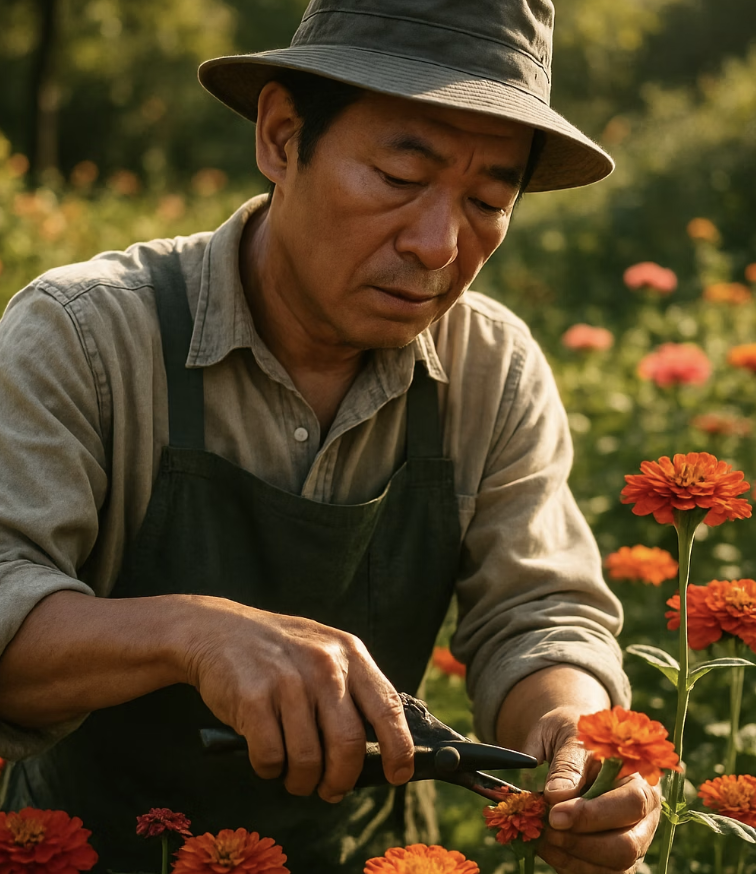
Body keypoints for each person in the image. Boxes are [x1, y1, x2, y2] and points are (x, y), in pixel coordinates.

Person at [0, 0, 660, 870]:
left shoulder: (490, 368)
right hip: (82, 852)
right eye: (399, 176)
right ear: (281, 137)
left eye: (488, 200)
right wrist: (196, 634)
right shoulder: (86, 335)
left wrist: (573, 730)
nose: (438, 244)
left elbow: (537, 613)